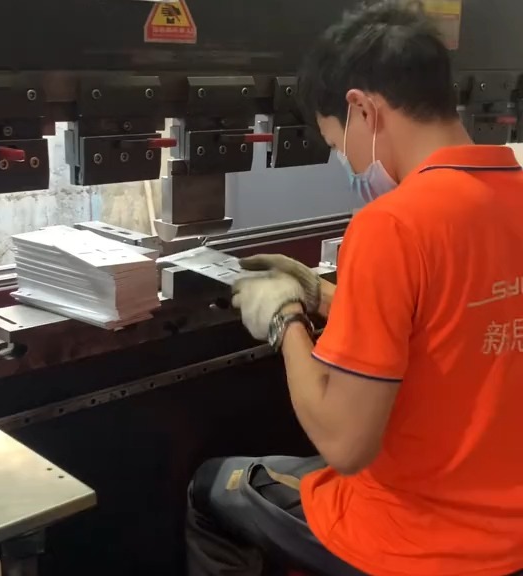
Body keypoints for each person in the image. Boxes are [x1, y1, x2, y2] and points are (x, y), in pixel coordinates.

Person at [186, 2, 523, 576]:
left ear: (363, 109)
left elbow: (345, 445)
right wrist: (322, 296)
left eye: (337, 143)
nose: (343, 161)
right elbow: (453, 325)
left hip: (419, 538)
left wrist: (285, 319)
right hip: (510, 528)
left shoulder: (394, 224)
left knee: (211, 488)